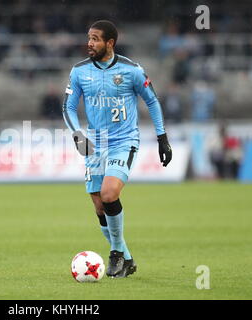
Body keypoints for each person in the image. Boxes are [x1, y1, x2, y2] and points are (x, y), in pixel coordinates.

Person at [62, 20, 172, 278]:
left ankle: (116, 254)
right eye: (89, 38)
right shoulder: (79, 71)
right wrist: (77, 134)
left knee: (109, 193)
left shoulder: (132, 70)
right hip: (94, 144)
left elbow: (152, 102)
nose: (90, 43)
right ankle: (127, 258)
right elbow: (67, 107)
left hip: (124, 141)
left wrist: (162, 137)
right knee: (100, 207)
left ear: (110, 43)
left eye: (96, 39)